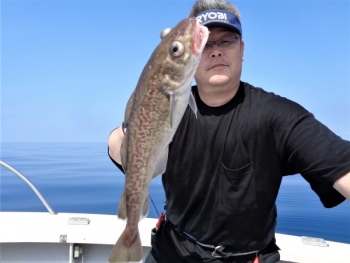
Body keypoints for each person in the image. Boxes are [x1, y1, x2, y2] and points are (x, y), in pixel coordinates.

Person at [108, 0, 350, 262]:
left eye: (226, 41)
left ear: (242, 49)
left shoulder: (278, 116)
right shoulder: (170, 111)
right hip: (172, 249)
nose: (216, 51)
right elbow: (115, 146)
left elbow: (341, 168)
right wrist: (140, 121)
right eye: (206, 43)